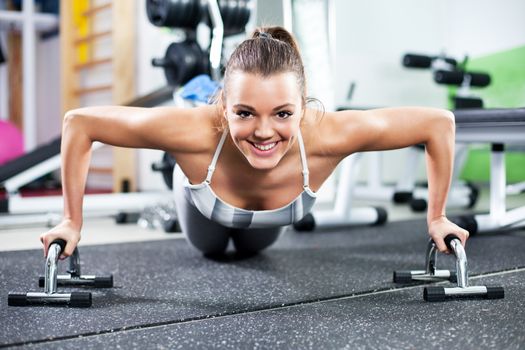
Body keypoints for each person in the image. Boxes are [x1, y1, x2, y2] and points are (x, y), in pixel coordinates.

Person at [40, 26, 469, 259]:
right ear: (224, 105)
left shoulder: (330, 133)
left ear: (303, 106)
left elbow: (438, 124)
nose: (264, 132)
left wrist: (437, 218)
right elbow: (80, 124)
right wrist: (70, 222)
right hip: (204, 207)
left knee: (250, 251)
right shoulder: (192, 130)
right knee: (213, 251)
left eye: (283, 114)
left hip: (268, 227)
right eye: (245, 113)